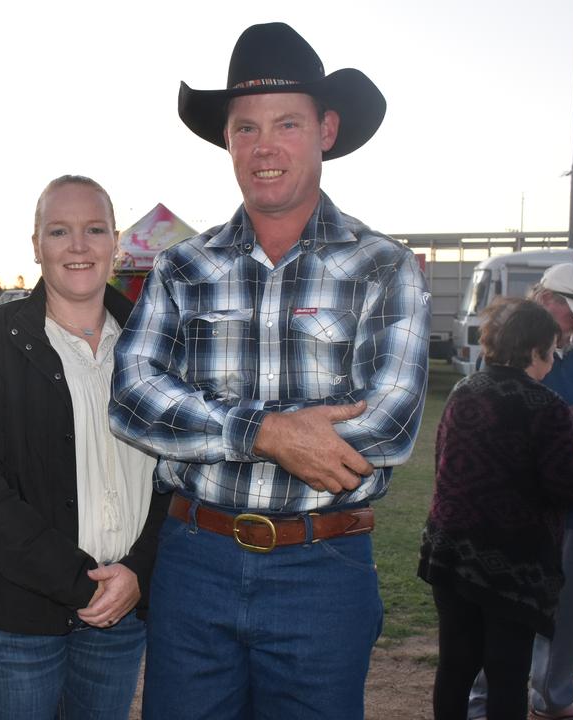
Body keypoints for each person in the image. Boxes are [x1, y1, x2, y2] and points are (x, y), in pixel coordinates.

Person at [110, 22, 431, 718]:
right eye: (246, 127)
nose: (265, 146)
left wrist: (207, 424)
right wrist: (266, 433)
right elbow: (133, 398)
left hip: (324, 568)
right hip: (196, 560)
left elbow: (386, 428)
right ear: (227, 141)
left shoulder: (384, 267)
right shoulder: (183, 266)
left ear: (327, 129)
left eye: (287, 122)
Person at [0, 176, 168, 718]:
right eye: (59, 231)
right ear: (36, 244)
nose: (79, 246)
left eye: (94, 229)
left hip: (120, 613)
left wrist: (138, 570)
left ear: (116, 241)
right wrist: (77, 583)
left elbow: (178, 474)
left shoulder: (153, 344)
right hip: (10, 623)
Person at [422, 298, 573, 720]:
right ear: (535, 349)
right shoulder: (546, 405)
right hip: (511, 563)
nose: (555, 358)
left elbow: (444, 461)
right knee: (507, 672)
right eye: (552, 349)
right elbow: (571, 488)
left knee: (455, 664)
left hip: (450, 550)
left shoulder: (464, 390)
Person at [468, 263, 573, 720]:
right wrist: (571, 418)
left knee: (570, 607)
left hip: (571, 496)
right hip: (519, 505)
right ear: (544, 299)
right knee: (505, 606)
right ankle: (482, 702)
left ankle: (553, 695)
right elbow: (494, 423)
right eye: (570, 312)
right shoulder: (507, 349)